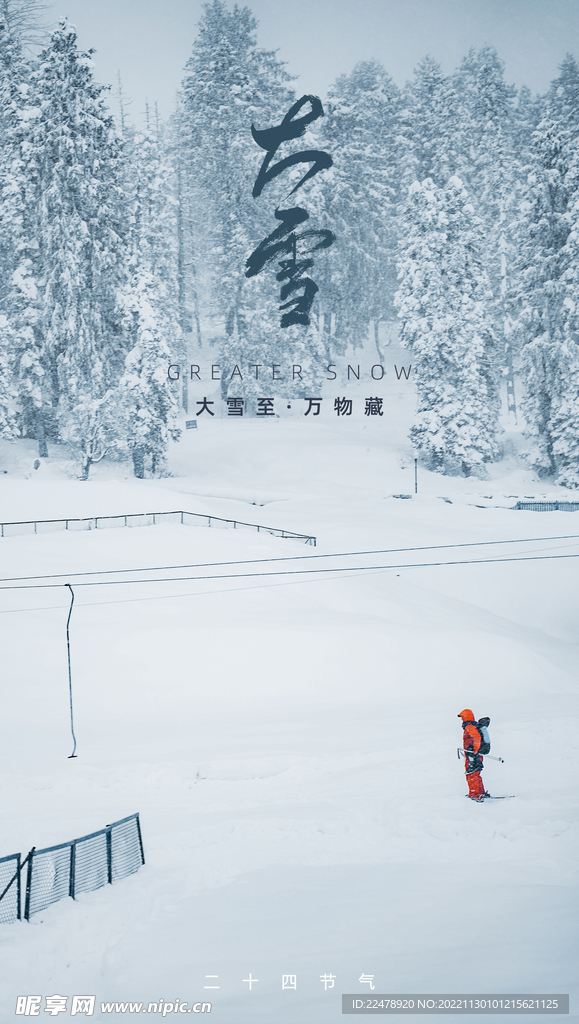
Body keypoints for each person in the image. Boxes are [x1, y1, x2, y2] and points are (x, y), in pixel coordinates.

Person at [458, 709, 487, 801]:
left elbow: (477, 737)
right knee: (476, 773)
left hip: (472, 754)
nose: (462, 720)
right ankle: (480, 792)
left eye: (462, 717)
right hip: (475, 754)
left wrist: (475, 749)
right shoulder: (472, 726)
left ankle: (474, 794)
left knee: (471, 774)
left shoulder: (469, 727)